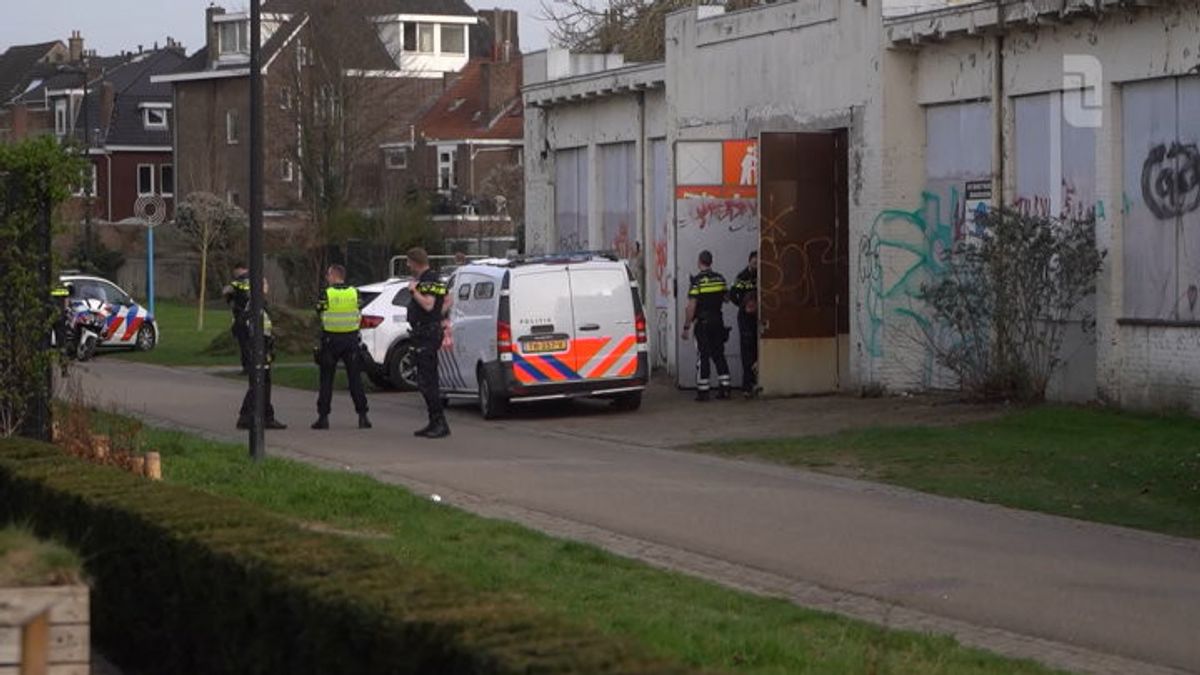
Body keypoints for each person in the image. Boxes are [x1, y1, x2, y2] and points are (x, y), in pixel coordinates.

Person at [312, 264, 370, 430]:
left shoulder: (326, 294)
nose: (326, 278)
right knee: (355, 379)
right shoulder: (355, 292)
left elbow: (319, 311)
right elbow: (360, 307)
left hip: (331, 340)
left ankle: (323, 418)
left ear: (333, 276)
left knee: (326, 380)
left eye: (327, 275)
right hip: (351, 340)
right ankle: (363, 416)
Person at [406, 247, 451, 439]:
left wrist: (414, 291)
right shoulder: (434, 278)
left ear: (415, 262)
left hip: (427, 334)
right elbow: (448, 299)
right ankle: (434, 421)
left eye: (408, 262)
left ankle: (439, 423)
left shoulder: (428, 280)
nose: (407, 265)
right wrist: (438, 317)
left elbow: (428, 304)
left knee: (428, 381)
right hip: (427, 331)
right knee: (425, 380)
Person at [682, 250, 731, 401]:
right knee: (719, 354)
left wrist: (686, 327)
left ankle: (703, 392)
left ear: (699, 262)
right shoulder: (720, 278)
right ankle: (725, 388)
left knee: (703, 356)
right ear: (711, 262)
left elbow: (691, 306)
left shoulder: (697, 281)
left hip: (702, 323)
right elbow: (726, 298)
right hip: (718, 321)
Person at [236, 289, 287, 431]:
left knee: (263, 383)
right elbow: (245, 326)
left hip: (263, 347)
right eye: (263, 283)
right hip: (258, 348)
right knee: (260, 383)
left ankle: (260, 416)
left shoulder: (260, 305)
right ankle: (251, 417)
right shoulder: (254, 305)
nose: (266, 286)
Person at [729, 251, 759, 397]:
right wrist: (743, 306)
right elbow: (732, 294)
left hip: (758, 317)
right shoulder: (742, 277)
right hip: (745, 318)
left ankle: (756, 382)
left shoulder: (763, 275)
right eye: (754, 262)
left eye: (758, 263)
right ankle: (747, 385)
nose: (756, 265)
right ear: (749, 262)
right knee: (747, 349)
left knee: (757, 348)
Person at [222, 265, 251, 375]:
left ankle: (247, 368)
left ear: (239, 270)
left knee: (244, 344)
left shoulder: (237, 282)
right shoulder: (255, 279)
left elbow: (227, 292)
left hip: (242, 316)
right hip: (253, 315)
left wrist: (228, 294)